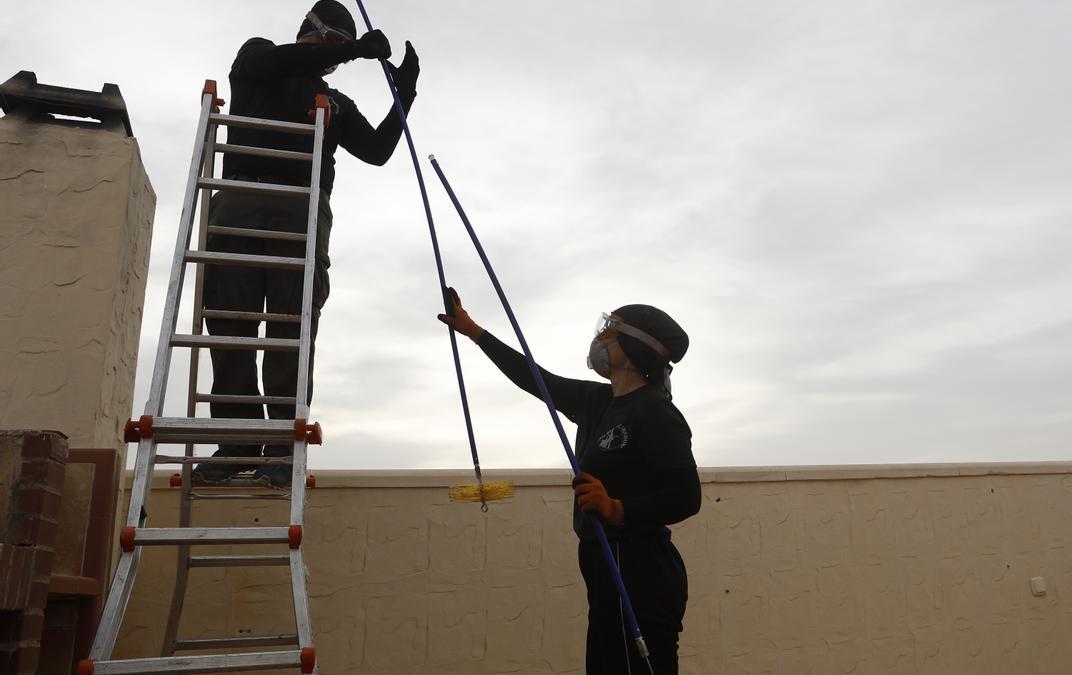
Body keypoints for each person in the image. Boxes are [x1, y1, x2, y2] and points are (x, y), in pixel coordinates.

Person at [193, 0, 420, 489]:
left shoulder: (334, 102)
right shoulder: (257, 59)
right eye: (334, 45)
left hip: (303, 210)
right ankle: (237, 441)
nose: (337, 58)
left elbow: (377, 152)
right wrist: (360, 49)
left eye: (344, 50)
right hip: (241, 202)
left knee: (290, 330)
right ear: (309, 32)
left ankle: (280, 446)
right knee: (229, 324)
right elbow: (278, 61)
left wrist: (406, 96)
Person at [438, 289, 701, 674]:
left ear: (633, 347)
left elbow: (686, 497)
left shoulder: (657, 412)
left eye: (609, 332)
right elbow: (536, 379)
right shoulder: (597, 401)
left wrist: (617, 508)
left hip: (642, 568)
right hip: (604, 563)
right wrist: (474, 331)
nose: (599, 339)